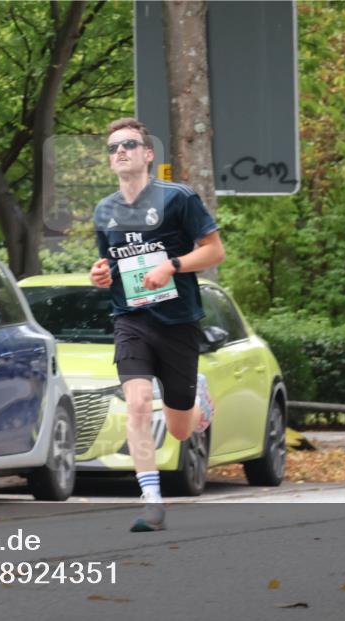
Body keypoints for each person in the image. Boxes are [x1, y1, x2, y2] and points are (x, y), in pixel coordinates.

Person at [90, 117, 225, 532]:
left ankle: (197, 400)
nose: (120, 152)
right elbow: (107, 266)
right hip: (131, 319)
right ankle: (151, 500)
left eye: (129, 145)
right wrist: (100, 275)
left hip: (178, 321)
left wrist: (172, 266)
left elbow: (215, 252)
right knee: (135, 404)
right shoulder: (104, 211)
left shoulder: (178, 199)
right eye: (113, 148)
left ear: (148, 154)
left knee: (182, 430)